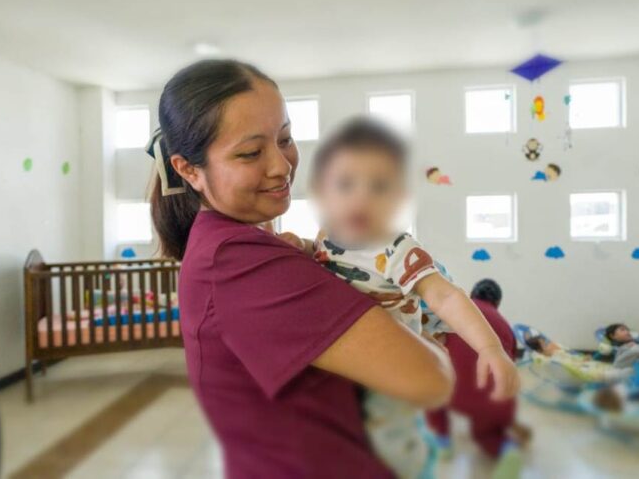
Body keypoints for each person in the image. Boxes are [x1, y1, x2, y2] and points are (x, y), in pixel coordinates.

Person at [146, 59, 455, 479]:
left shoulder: (238, 246)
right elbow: (431, 380)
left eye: (285, 138)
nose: (282, 165)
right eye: (251, 153)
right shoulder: (240, 263)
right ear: (188, 169)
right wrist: (427, 334)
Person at [279, 118, 519, 476]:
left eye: (379, 186)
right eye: (345, 185)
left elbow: (445, 296)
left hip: (391, 363)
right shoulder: (329, 233)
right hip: (348, 357)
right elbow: (328, 258)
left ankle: (413, 466)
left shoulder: (397, 248)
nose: (360, 197)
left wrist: (490, 348)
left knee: (388, 440)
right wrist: (303, 245)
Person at [425, 279, 529, 479]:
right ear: (497, 303)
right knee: (485, 434)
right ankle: (507, 449)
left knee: (433, 390)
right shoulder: (506, 326)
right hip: (495, 399)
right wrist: (510, 420)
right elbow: (509, 368)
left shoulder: (454, 311)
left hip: (453, 393)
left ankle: (442, 442)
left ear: (472, 294)